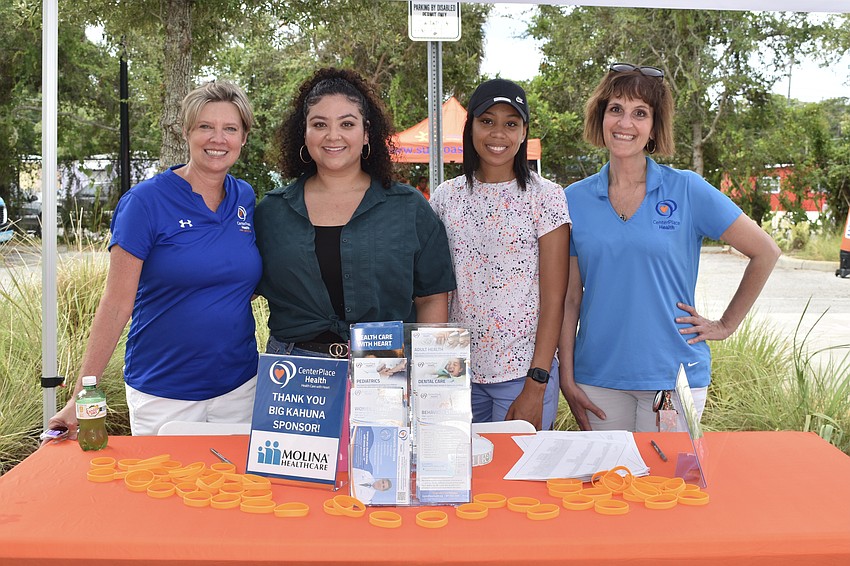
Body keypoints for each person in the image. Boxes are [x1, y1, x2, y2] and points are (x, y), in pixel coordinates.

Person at [560, 63, 781, 432]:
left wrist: (725, 325)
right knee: (606, 487)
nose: (625, 123)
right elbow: (570, 298)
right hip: (596, 377)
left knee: (665, 490)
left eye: (640, 113)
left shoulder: (688, 189)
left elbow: (766, 252)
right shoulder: (573, 199)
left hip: (673, 376)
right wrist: (567, 376)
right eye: (616, 109)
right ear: (601, 117)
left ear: (653, 127)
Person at [44, 80, 262, 439]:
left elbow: (237, 280)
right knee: (164, 494)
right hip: (164, 393)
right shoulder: (144, 202)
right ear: (186, 132)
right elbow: (115, 303)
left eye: (230, 129)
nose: (217, 139)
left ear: (243, 137)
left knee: (233, 494)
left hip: (240, 388)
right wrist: (85, 390)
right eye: (205, 126)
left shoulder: (245, 198)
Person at [255, 67, 455, 360]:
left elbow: (432, 297)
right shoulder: (271, 212)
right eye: (319, 124)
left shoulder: (408, 207)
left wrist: (426, 371)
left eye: (347, 124)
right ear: (305, 133)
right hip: (293, 379)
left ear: (366, 134)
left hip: (384, 370)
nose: (333, 136)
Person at [430, 79, 571, 431]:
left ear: (524, 133)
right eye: (487, 121)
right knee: (458, 479)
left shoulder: (546, 197)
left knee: (516, 481)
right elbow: (434, 289)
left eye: (511, 123)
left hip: (521, 375)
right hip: (455, 373)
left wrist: (536, 383)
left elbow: (555, 299)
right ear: (471, 127)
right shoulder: (446, 197)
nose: (498, 133)